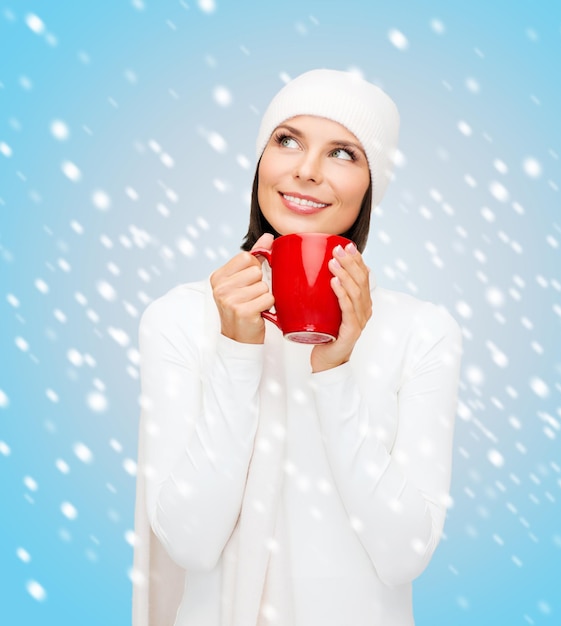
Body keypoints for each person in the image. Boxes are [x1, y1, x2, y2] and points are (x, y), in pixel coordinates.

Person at [132, 68, 463, 626]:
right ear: (261, 160)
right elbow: (190, 543)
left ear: (372, 185)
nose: (306, 171)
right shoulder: (180, 318)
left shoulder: (421, 332)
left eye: (343, 153)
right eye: (287, 141)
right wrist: (237, 351)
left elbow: (403, 554)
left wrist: (334, 373)